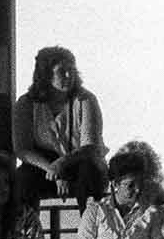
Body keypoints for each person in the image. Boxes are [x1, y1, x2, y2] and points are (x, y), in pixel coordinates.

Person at [12, 45, 107, 202]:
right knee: (22, 179)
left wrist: (61, 164)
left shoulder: (85, 100)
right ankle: (27, 224)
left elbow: (89, 147)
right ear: (46, 74)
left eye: (71, 70)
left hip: (81, 162)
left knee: (89, 174)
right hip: (44, 166)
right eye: (62, 71)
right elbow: (22, 149)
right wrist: (52, 169)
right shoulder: (26, 103)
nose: (69, 75)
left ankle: (91, 223)